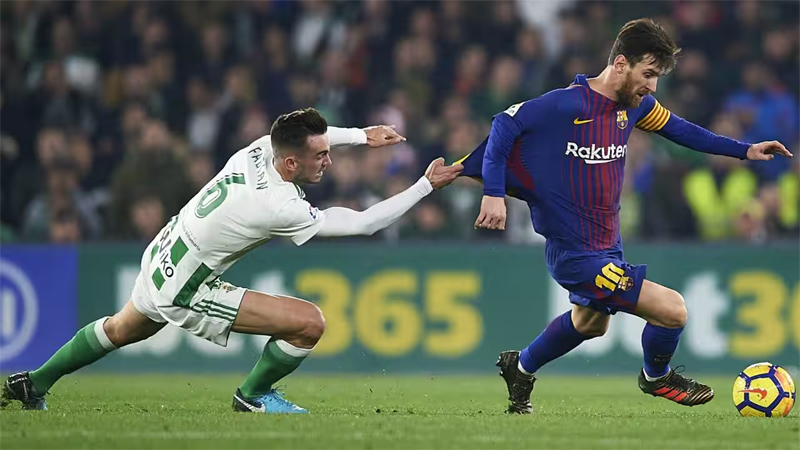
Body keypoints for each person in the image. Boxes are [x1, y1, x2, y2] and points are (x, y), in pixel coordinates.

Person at [2, 108, 463, 413]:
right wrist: (425, 186)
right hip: (187, 283)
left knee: (120, 329)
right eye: (321, 157)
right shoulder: (279, 205)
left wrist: (361, 136)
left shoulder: (260, 148)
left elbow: (303, 139)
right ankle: (254, 395)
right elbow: (363, 224)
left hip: (165, 248)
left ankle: (33, 382)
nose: (329, 161)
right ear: (291, 164)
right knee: (309, 324)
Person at [457, 18, 792, 414]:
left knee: (590, 323)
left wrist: (744, 150)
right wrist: (494, 193)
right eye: (648, 74)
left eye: (657, 77)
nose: (653, 86)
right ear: (620, 64)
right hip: (576, 254)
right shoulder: (568, 104)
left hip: (607, 245)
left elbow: (683, 131)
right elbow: (505, 123)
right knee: (673, 310)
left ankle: (521, 367)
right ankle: (656, 377)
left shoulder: (634, 107)